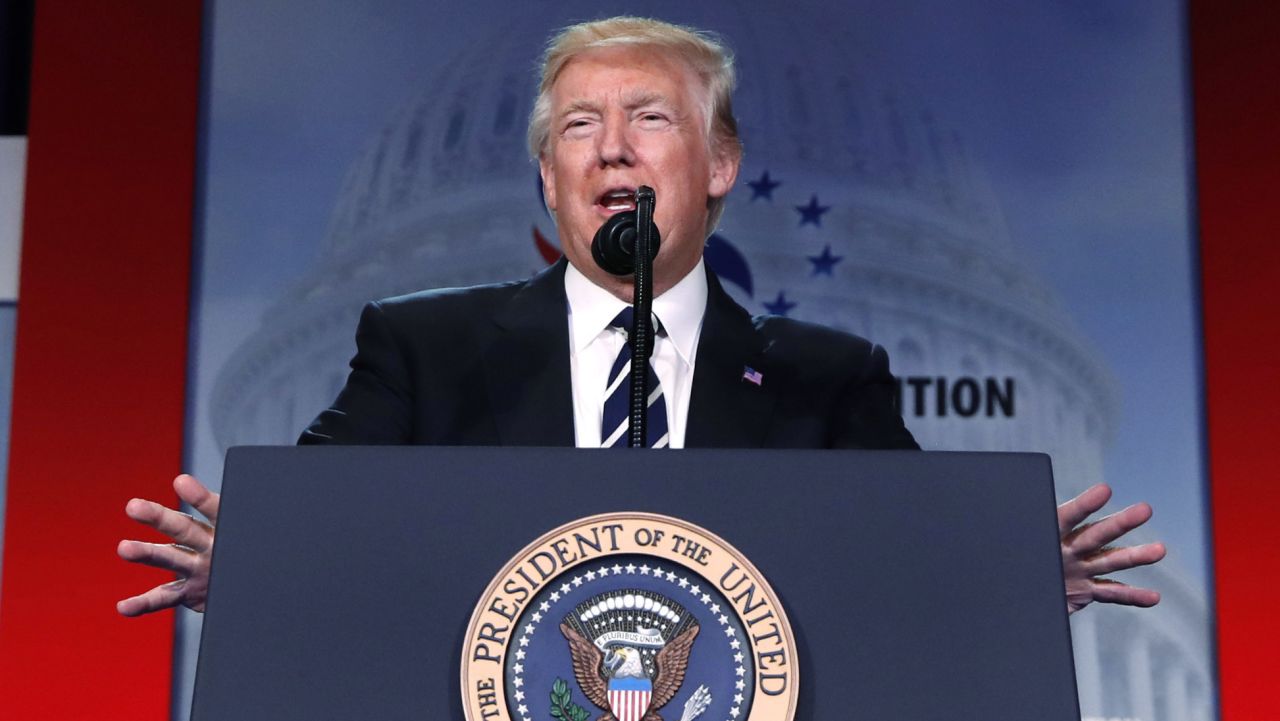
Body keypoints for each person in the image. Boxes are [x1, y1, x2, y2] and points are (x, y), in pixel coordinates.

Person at [117, 17, 1164, 617]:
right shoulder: (419, 351)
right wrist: (258, 566)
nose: (610, 148)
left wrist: (1009, 579)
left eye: (648, 119)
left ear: (716, 166)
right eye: (579, 126)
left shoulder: (825, 380)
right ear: (547, 174)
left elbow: (897, 559)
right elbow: (327, 519)